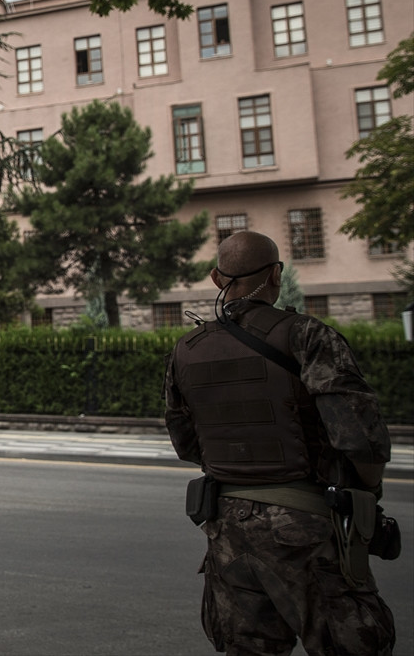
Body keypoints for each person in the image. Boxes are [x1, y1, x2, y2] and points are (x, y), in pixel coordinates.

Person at [163, 231, 395, 656]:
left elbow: (185, 442)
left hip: (226, 529)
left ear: (216, 279)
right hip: (305, 525)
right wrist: (366, 495)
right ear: (276, 274)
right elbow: (361, 439)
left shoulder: (187, 349)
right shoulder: (307, 335)